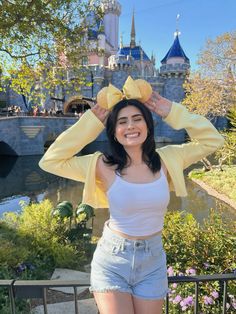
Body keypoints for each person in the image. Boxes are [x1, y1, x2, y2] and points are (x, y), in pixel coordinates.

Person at [39, 76, 224, 314]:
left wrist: (172, 111)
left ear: (148, 125)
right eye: (122, 122)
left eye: (137, 119)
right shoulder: (102, 165)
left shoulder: (169, 159)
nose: (130, 126)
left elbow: (213, 140)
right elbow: (50, 160)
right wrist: (92, 120)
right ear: (114, 132)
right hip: (113, 259)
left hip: (152, 260)